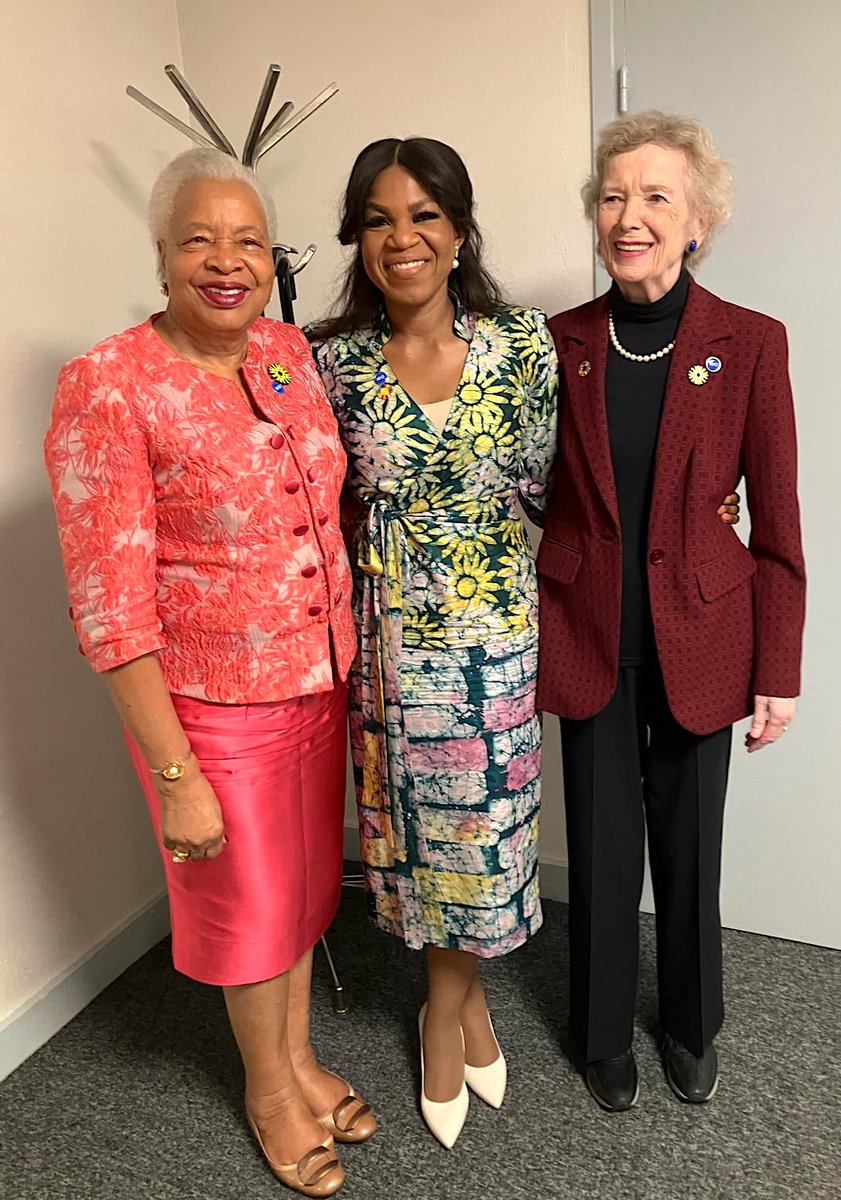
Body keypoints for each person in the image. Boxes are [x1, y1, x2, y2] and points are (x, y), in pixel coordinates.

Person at [44, 148, 374, 1198]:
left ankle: (299, 1060)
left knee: (306, 892)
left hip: (314, 682)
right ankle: (267, 1090)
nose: (225, 261)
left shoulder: (282, 353)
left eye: (245, 240)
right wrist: (174, 771)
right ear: (160, 254)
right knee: (248, 906)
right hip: (210, 710)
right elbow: (108, 599)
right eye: (198, 239)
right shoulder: (108, 383)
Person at [537, 111, 806, 1113]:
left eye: (655, 197)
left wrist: (777, 668)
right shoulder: (557, 343)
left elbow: (776, 525)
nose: (629, 215)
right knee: (603, 851)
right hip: (588, 632)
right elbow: (530, 488)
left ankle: (693, 1025)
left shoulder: (750, 343)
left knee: (692, 851)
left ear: (697, 223)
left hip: (705, 636)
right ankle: (601, 1031)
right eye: (612, 196)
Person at [309, 138, 558, 1148]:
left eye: (421, 215)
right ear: (357, 240)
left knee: (483, 846)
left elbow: (556, 488)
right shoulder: (329, 361)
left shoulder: (525, 346)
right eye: (377, 218)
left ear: (458, 230)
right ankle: (459, 1007)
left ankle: (443, 1021)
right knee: (414, 853)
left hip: (494, 641)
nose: (401, 237)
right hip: (389, 645)